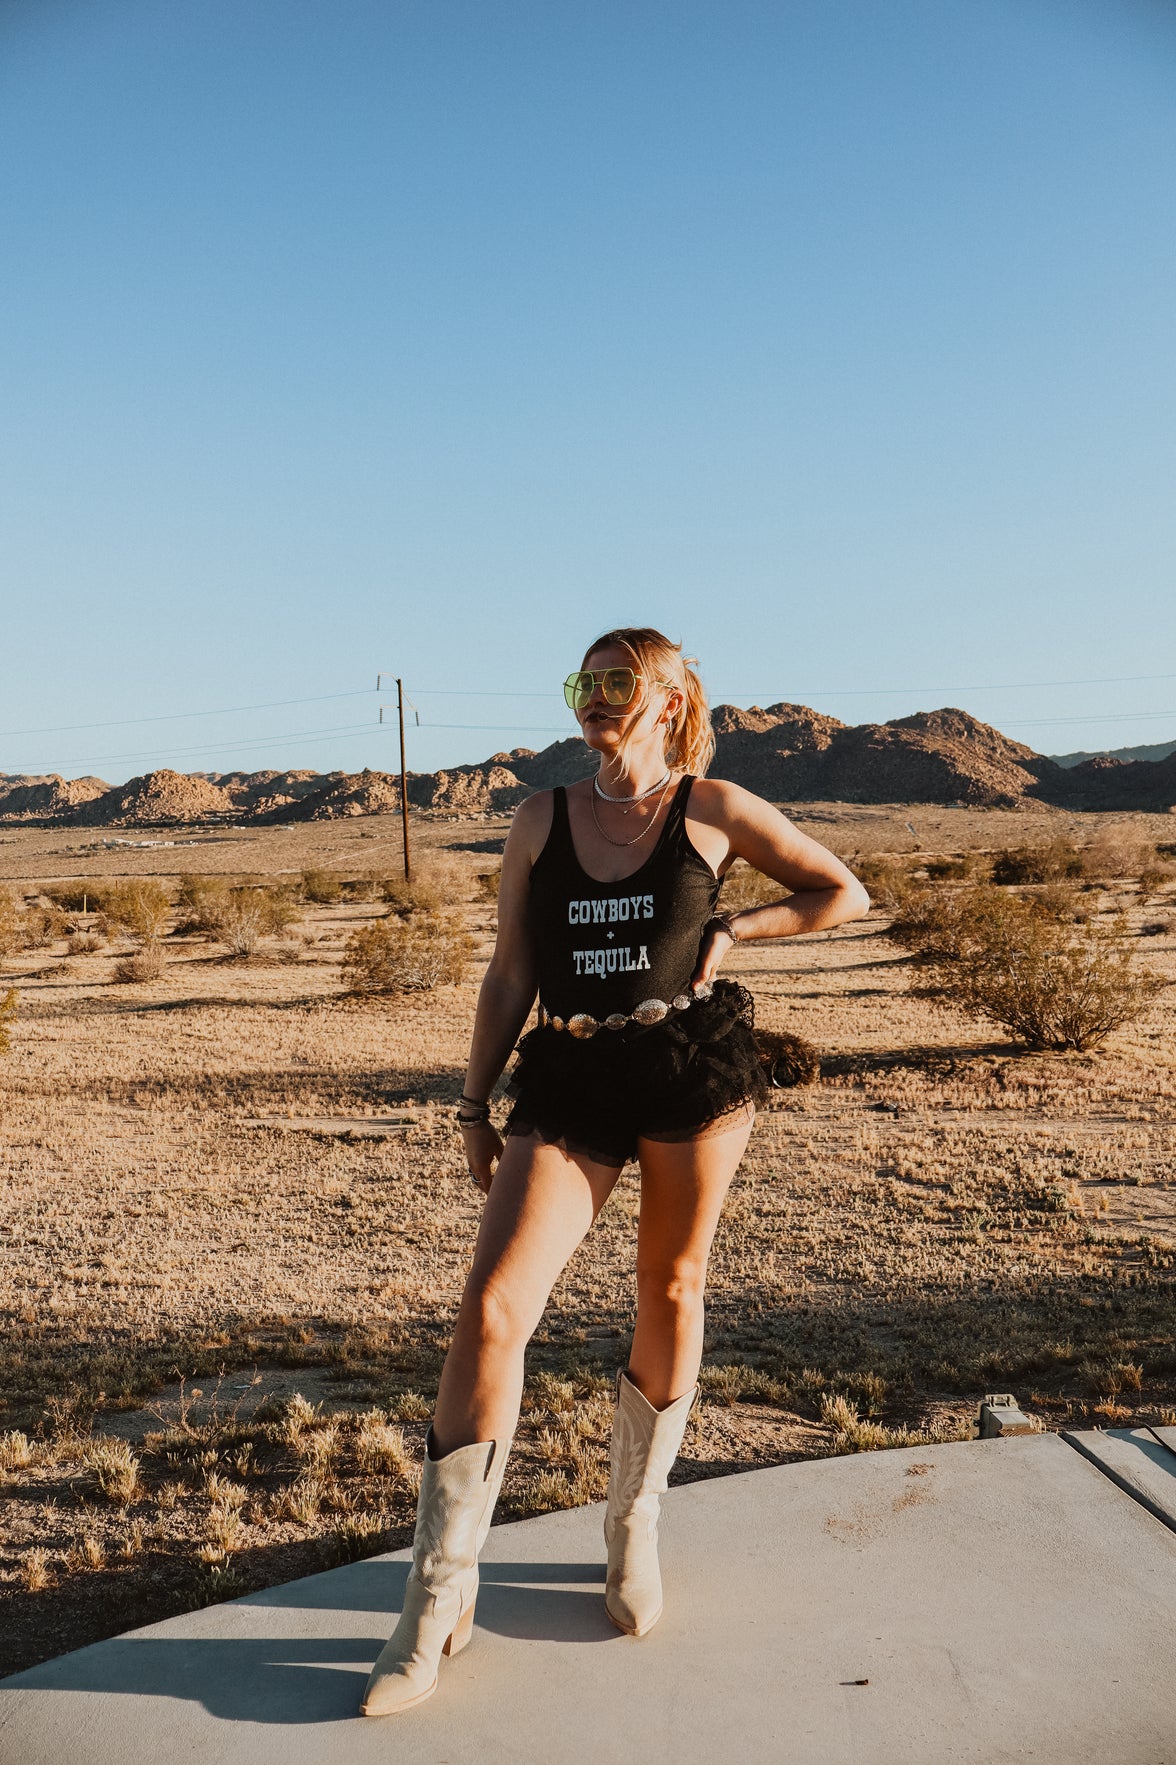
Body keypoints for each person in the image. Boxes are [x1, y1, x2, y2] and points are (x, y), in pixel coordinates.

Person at [360, 627, 870, 1717]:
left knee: (670, 1287)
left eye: (617, 681)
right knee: (493, 1307)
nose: (594, 697)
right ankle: (438, 1592)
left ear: (669, 699)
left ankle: (634, 1525)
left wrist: (738, 929)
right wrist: (472, 1103)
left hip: (689, 1069)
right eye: (582, 681)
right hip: (570, 1077)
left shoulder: (712, 808)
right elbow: (511, 971)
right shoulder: (538, 818)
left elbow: (841, 890)